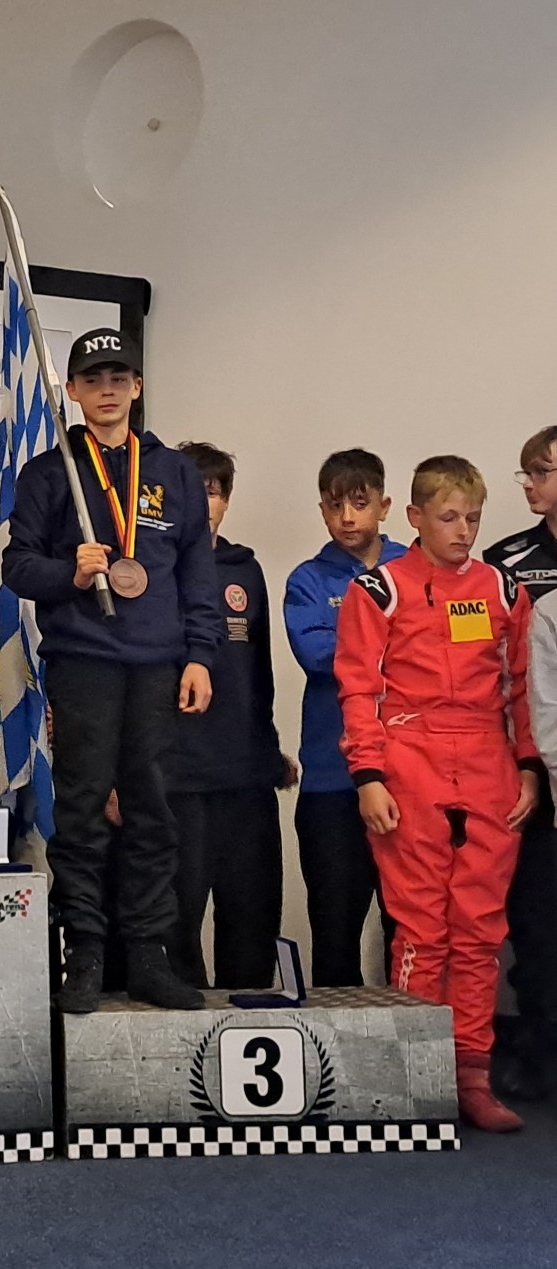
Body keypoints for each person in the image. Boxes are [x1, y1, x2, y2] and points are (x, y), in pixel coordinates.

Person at [2, 328, 221, 1013]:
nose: (107, 390)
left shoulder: (173, 472)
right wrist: (69, 573)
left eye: (119, 378)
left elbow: (197, 571)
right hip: (84, 662)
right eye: (93, 379)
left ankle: (150, 956)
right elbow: (17, 567)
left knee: (153, 812)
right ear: (71, 390)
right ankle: (86, 955)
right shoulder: (49, 472)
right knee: (80, 813)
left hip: (158, 665)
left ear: (137, 386)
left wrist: (200, 654)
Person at [336, 456, 540, 1133]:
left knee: (480, 932)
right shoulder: (379, 589)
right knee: (420, 929)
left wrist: (528, 767)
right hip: (409, 762)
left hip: (488, 766)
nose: (463, 531)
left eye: (472, 518)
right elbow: (358, 688)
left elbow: (522, 688)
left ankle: (472, 1076)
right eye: (449, 517)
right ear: (415, 517)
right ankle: (415, 1079)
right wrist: (368, 776)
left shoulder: (502, 589)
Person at [166, 443, 294, 989]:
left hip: (245, 774)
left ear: (226, 500)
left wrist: (268, 747)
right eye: (191, 492)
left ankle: (248, 1020)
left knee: (252, 920)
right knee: (176, 927)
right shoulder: (150, 573)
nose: (204, 504)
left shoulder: (247, 571)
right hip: (177, 777)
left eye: (214, 492)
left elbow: (258, 672)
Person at [284, 449, 406, 986]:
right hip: (331, 783)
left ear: (385, 505)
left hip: (408, 779)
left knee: (411, 932)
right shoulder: (308, 580)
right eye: (335, 507)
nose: (348, 518)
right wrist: (398, 647)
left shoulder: (413, 567)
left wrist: (364, 647)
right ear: (322, 511)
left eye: (360, 503)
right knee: (335, 935)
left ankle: (411, 1036)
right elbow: (319, 658)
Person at [483, 425, 557, 1100]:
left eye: (540, 471)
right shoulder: (506, 562)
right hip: (532, 771)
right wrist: (528, 766)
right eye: (525, 473)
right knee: (536, 926)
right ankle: (537, 1056)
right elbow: (490, 673)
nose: (530, 484)